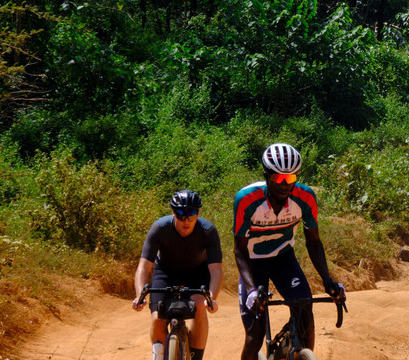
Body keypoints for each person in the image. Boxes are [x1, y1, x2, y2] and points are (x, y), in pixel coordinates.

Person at [234, 143, 345, 360]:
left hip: (284, 260)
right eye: (279, 179)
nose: (285, 185)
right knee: (254, 336)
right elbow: (239, 250)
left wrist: (328, 281)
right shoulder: (247, 199)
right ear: (266, 176)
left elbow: (313, 242)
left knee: (305, 310)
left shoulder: (305, 198)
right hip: (253, 262)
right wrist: (252, 290)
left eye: (291, 179)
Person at [132, 189, 222, 360]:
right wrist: (140, 296)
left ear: (198, 213)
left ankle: (196, 357)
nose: (186, 220)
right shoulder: (160, 228)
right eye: (181, 214)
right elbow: (144, 266)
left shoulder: (208, 231)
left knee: (200, 307)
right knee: (158, 318)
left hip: (197, 274)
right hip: (165, 273)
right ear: (173, 213)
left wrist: (212, 298)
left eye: (192, 214)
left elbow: (216, 270)